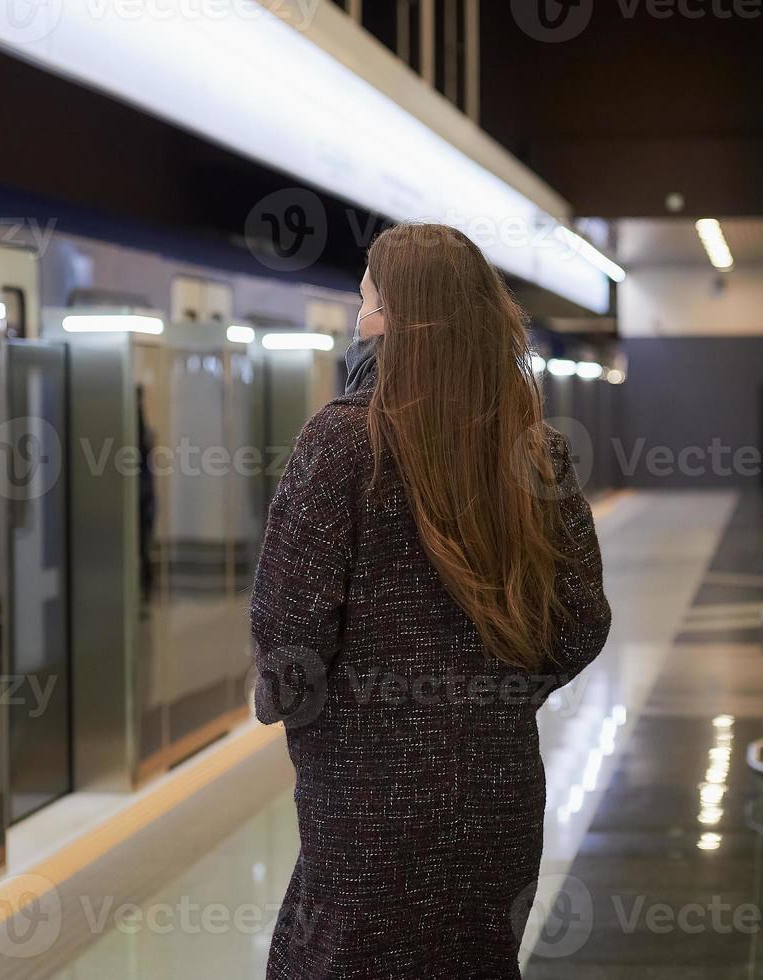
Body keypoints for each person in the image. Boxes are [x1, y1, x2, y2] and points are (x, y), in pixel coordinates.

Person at [250, 223, 612, 978]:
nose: (359, 319)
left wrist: (304, 705)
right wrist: (491, 701)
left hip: (365, 799)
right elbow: (580, 622)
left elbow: (289, 637)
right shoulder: (532, 446)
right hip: (496, 791)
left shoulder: (341, 443)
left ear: (390, 321)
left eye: (366, 302)